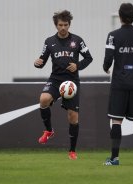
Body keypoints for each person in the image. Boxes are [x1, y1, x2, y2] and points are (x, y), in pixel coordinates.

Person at [34, 10, 93, 160]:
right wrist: (37, 63)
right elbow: (42, 61)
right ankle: (48, 131)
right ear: (56, 25)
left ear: (69, 24)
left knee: (73, 117)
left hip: (72, 82)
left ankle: (72, 151)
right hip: (55, 79)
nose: (63, 28)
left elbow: (89, 58)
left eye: (66, 25)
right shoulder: (49, 42)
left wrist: (78, 65)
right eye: (60, 25)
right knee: (43, 99)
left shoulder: (78, 41)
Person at [103, 3, 133, 165]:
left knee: (116, 121)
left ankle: (114, 159)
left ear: (120, 16)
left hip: (119, 84)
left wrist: (106, 68)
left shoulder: (113, 36)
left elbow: (108, 59)